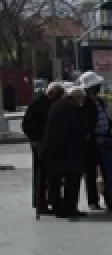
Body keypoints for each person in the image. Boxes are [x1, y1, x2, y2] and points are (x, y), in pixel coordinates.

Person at [42, 84, 93, 219]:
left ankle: (58, 208)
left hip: (52, 149)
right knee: (73, 179)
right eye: (81, 99)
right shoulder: (72, 108)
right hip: (69, 150)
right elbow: (80, 127)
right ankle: (70, 208)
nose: (82, 102)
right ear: (77, 97)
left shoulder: (57, 105)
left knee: (55, 180)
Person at [22, 82, 64, 215]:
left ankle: (52, 200)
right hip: (39, 143)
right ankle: (40, 203)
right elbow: (27, 123)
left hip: (50, 143)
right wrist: (34, 139)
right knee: (41, 174)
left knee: (52, 174)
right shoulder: (38, 103)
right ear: (51, 93)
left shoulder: (52, 103)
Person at [78, 71, 112, 211]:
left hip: (105, 138)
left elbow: (104, 118)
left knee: (108, 171)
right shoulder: (84, 103)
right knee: (91, 172)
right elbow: (85, 124)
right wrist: (93, 136)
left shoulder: (99, 101)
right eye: (97, 85)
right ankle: (93, 201)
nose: (99, 87)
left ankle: (110, 199)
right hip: (92, 142)